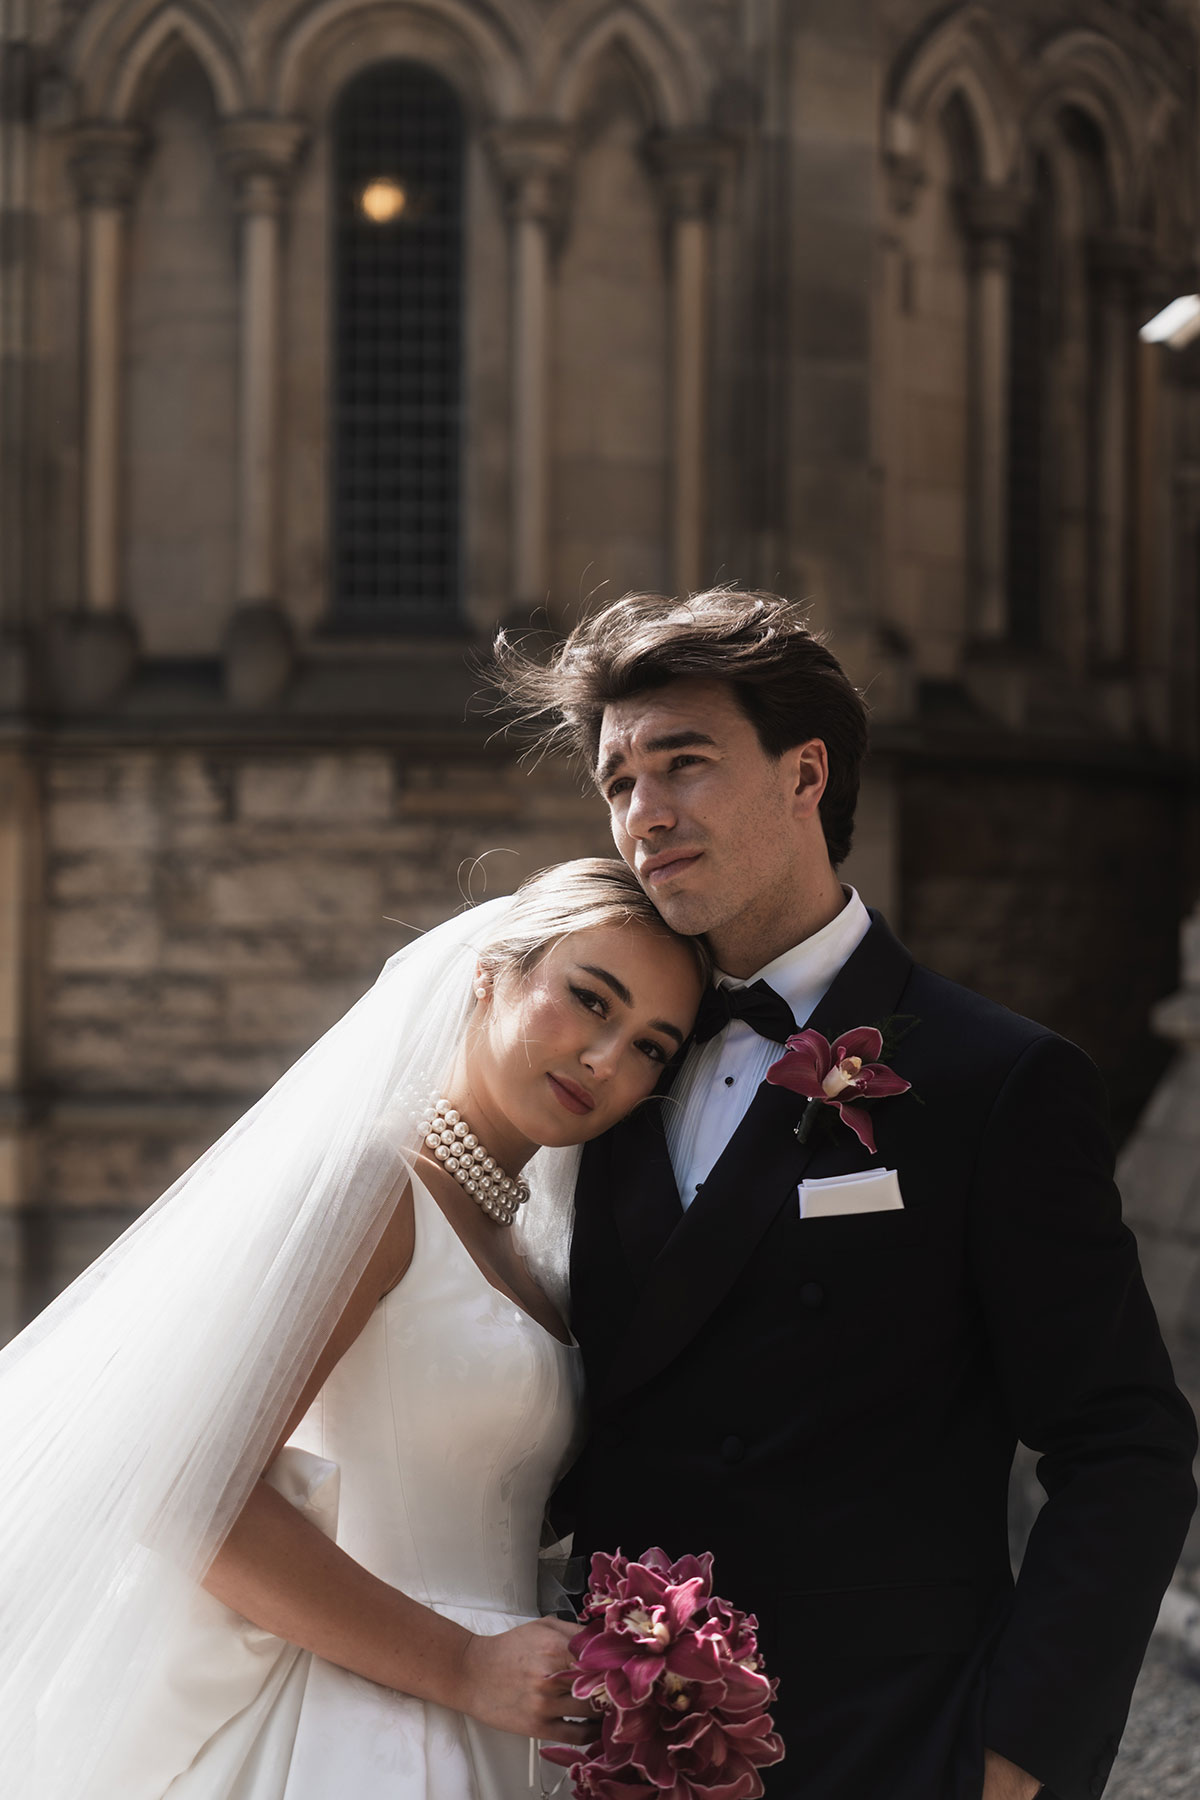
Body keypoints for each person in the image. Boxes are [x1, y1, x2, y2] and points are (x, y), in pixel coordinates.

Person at [494, 589, 1198, 1800]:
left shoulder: (998, 1080)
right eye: (616, 783)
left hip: (888, 1746)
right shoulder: (608, 1068)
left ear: (805, 772)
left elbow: (1125, 1442)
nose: (643, 816)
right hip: (621, 1751)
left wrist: (1014, 1759)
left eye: (684, 763)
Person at [0, 858, 705, 1800]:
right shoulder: (377, 1193)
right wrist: (462, 1665)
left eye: (652, 1047)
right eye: (589, 999)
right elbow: (189, 1496)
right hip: (359, 1726)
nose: (607, 1059)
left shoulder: (531, 1250)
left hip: (509, 1731)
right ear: (492, 972)